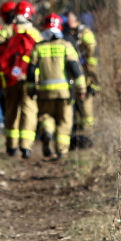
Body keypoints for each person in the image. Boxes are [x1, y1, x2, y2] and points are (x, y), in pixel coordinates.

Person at [26, 14, 87, 159]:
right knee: (64, 121)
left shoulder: (38, 47)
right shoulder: (66, 46)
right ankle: (61, 151)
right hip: (64, 93)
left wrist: (31, 89)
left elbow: (30, 71)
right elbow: (76, 70)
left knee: (46, 117)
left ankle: (47, 131)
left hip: (45, 94)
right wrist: (81, 90)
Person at [0, 0, 42, 158]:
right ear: (30, 14)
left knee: (11, 110)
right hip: (30, 78)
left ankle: (11, 146)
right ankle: (26, 147)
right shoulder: (35, 33)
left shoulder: (8, 29)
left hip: (11, 77)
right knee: (29, 111)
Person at [65, 11, 99, 146]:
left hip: (86, 73)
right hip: (74, 72)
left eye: (70, 19)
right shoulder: (69, 33)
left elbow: (92, 49)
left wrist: (89, 69)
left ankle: (88, 135)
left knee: (86, 102)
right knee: (76, 104)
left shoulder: (85, 33)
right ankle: (78, 138)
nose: (68, 22)